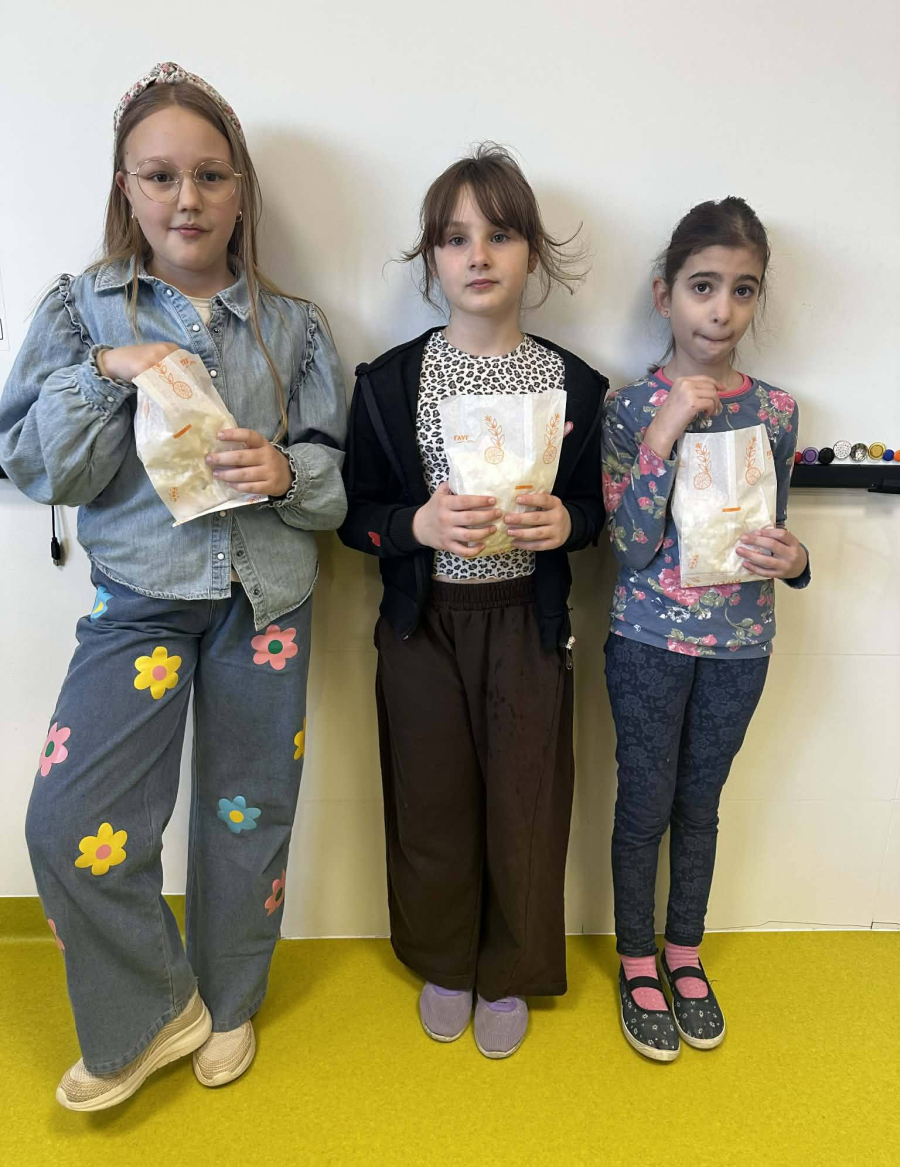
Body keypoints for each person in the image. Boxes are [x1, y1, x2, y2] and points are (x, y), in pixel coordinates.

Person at [0, 62, 347, 1109]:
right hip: (137, 601)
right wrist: (106, 373)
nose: (185, 198)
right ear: (127, 187)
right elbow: (31, 465)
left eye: (208, 175)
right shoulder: (81, 312)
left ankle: (230, 1001)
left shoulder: (295, 326)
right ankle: (157, 1008)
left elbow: (337, 485)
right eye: (159, 176)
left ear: (240, 188)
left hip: (266, 603)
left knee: (249, 820)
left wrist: (286, 473)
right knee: (68, 825)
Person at [339, 144, 607, 1059]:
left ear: (533, 251)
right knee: (432, 802)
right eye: (456, 239)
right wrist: (415, 525)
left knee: (526, 803)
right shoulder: (389, 384)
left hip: (529, 624)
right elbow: (353, 516)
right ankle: (444, 960)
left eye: (500, 235)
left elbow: (595, 511)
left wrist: (564, 524)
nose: (479, 256)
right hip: (422, 628)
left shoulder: (575, 387)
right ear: (432, 258)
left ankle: (511, 969)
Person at [601, 197, 810, 1061]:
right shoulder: (629, 406)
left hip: (739, 646)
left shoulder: (779, 411)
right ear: (665, 295)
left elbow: (776, 530)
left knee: (700, 805)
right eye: (702, 286)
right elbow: (627, 545)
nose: (721, 310)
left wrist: (796, 558)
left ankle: (685, 952)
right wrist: (665, 429)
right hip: (648, 642)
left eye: (742, 289)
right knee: (644, 805)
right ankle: (635, 960)